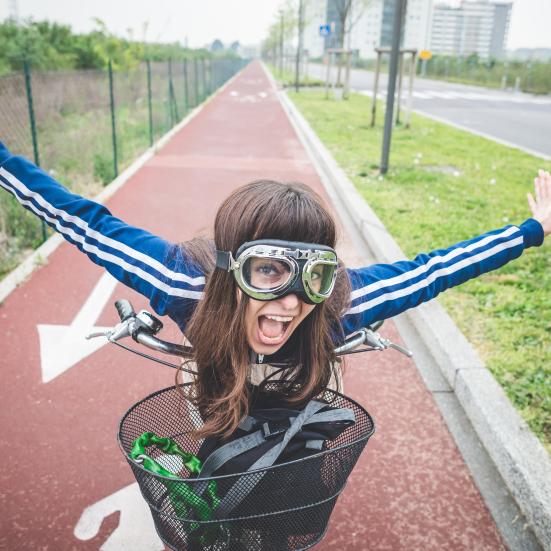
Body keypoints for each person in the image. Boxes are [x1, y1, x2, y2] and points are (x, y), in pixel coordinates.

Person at [1, 140, 549, 440]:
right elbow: (83, 220)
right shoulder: (184, 282)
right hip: (216, 389)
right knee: (208, 437)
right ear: (227, 268)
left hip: (298, 407)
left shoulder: (336, 308)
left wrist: (533, 231)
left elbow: (432, 271)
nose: (291, 302)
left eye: (312, 276)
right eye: (267, 270)